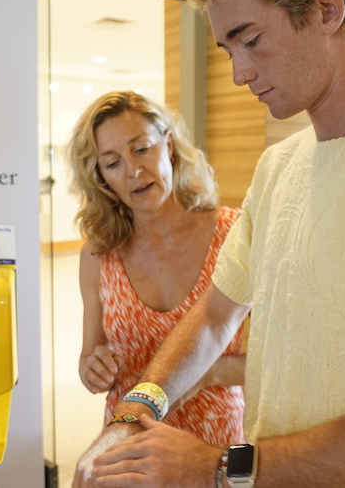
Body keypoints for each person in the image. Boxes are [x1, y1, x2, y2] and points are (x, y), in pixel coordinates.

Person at [73, 0, 345, 487]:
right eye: (229, 50)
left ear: (326, 8)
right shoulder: (279, 166)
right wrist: (134, 412)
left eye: (252, 40)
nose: (240, 72)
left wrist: (218, 467)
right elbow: (216, 316)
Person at [66, 91, 248, 452]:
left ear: (170, 145)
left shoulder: (234, 234)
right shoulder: (99, 254)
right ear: (101, 178)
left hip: (212, 447)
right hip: (130, 446)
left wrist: (201, 373)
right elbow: (90, 358)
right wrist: (92, 369)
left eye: (141, 148)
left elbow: (276, 362)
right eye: (112, 163)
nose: (133, 170)